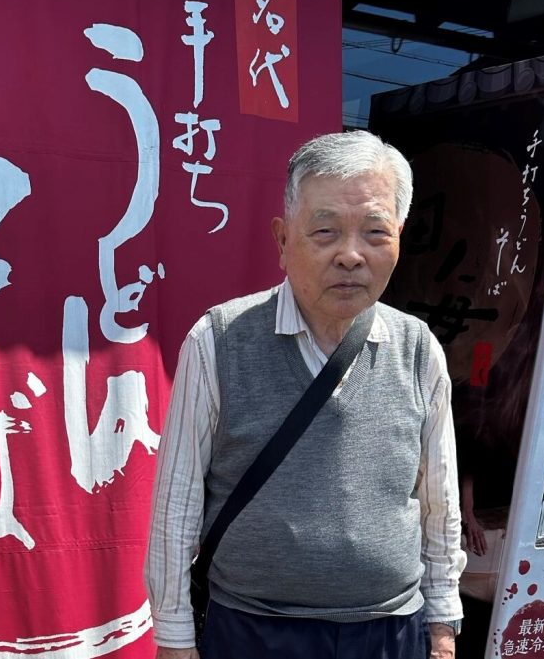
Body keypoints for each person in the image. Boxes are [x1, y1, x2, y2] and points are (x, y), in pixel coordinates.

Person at [145, 131, 465, 659]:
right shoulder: (218, 341)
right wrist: (175, 637)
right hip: (254, 631)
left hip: (391, 632)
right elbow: (176, 502)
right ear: (282, 240)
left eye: (375, 231)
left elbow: (439, 501)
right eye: (325, 231)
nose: (350, 255)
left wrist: (443, 623)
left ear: (399, 238)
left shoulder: (418, 348)